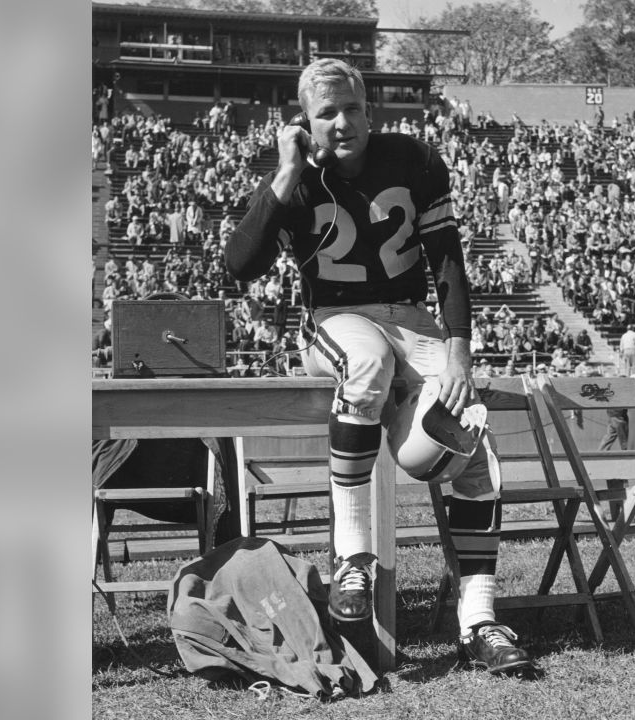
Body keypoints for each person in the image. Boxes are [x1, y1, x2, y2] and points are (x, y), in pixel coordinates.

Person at [226, 58, 531, 675]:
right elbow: (240, 265)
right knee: (364, 361)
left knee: (466, 435)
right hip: (336, 321)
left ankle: (479, 621)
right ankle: (354, 560)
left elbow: (447, 260)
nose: (343, 122)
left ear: (371, 108)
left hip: (411, 317)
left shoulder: (414, 160)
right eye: (326, 113)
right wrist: (286, 171)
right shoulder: (297, 178)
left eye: (353, 108)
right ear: (304, 123)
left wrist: (459, 351)